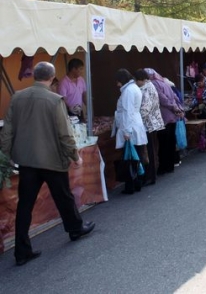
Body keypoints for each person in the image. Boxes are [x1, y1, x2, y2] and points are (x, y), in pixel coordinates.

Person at [0, 62, 95, 266]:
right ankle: (75, 229)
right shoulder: (54, 100)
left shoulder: (17, 97)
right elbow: (65, 133)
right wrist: (74, 155)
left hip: (26, 160)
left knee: (25, 205)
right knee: (63, 197)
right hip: (51, 159)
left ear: (34, 76)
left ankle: (22, 250)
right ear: (52, 78)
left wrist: (5, 156)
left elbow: (7, 130)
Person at [113, 69, 149, 194]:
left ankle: (131, 185)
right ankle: (138, 181)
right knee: (137, 156)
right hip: (136, 124)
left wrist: (127, 132)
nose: (117, 85)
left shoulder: (128, 91)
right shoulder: (134, 88)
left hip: (130, 126)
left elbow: (127, 112)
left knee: (130, 157)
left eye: (117, 82)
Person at [146, 68, 184, 174]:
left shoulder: (153, 84)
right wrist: (177, 108)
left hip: (164, 117)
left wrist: (173, 107)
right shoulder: (164, 82)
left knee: (164, 143)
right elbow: (175, 96)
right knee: (171, 141)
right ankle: (171, 164)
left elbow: (162, 99)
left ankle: (164, 166)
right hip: (172, 116)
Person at [134, 69, 165, 186]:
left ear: (141, 79)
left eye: (137, 80)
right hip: (152, 123)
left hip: (149, 124)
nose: (136, 83)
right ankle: (151, 175)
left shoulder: (147, 88)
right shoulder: (149, 86)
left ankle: (150, 176)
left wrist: (136, 119)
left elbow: (145, 108)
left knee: (149, 151)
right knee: (151, 150)